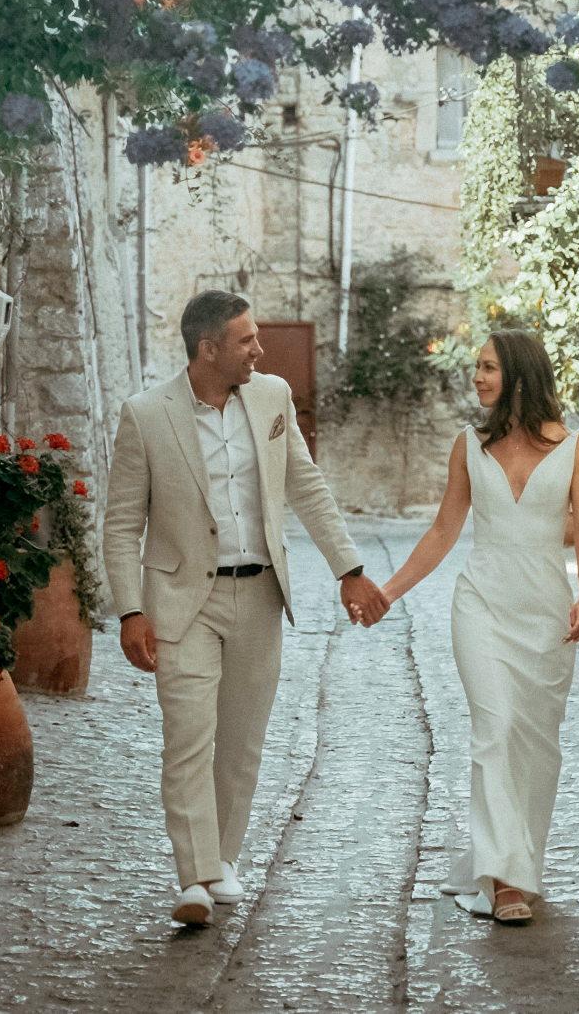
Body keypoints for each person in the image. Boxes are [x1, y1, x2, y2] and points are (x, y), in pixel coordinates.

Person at [102, 289, 391, 927]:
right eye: (246, 340)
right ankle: (193, 878)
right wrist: (129, 611)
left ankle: (222, 860)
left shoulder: (272, 397)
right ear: (208, 349)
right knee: (187, 736)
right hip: (182, 600)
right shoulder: (146, 415)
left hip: (260, 594)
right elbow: (121, 525)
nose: (259, 350)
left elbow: (306, 486)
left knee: (241, 740)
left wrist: (349, 570)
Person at [377, 329, 579, 923]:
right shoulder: (468, 447)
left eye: (488, 368)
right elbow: (443, 531)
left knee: (537, 746)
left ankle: (514, 858)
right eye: (477, 367)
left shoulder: (577, 449)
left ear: (520, 376)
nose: (476, 378)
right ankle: (505, 882)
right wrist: (389, 592)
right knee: (495, 731)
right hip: (480, 606)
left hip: (547, 615)